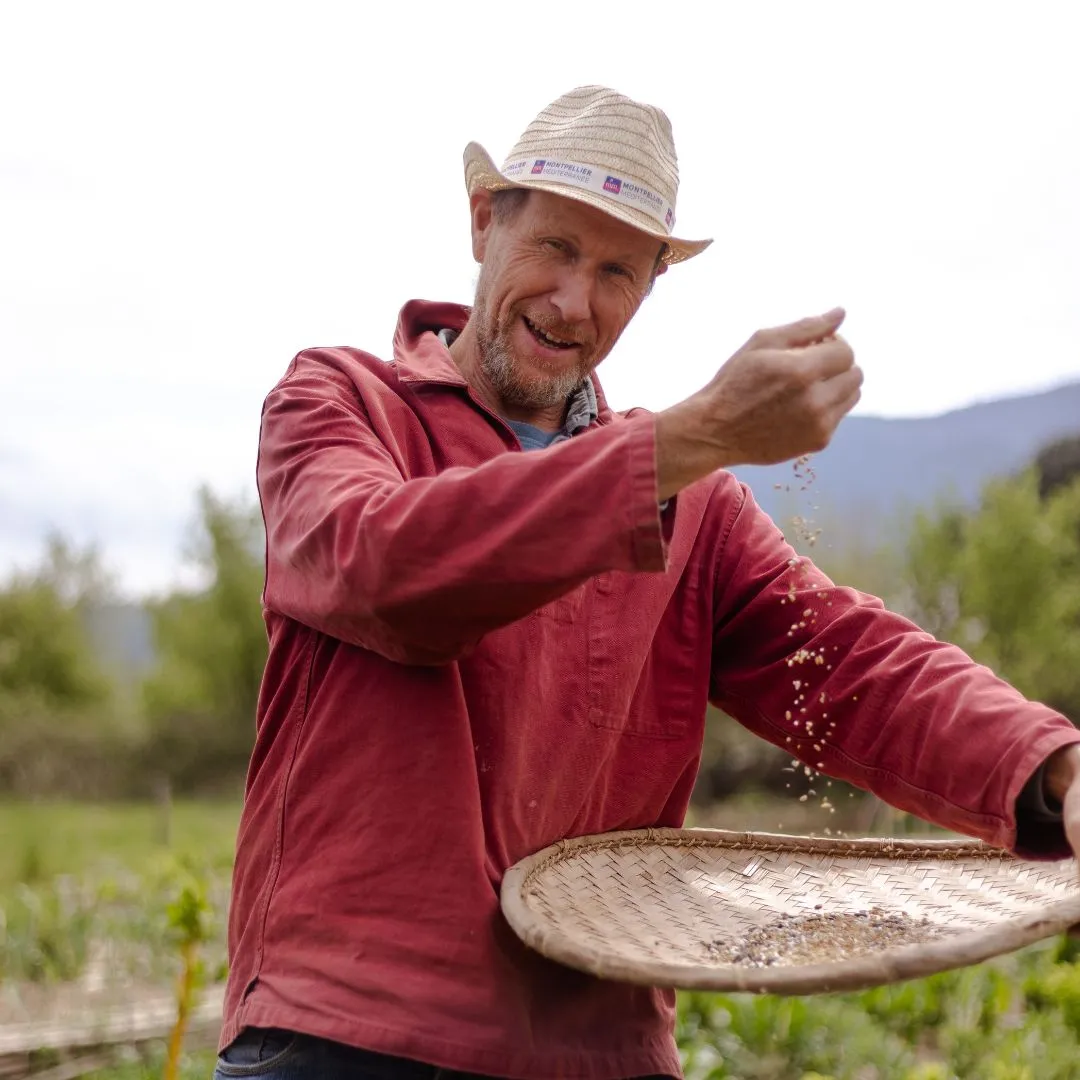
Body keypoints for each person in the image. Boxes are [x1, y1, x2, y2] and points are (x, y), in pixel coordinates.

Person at [214, 85, 1080, 1080]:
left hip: (600, 1049)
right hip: (354, 1032)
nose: (575, 301)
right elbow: (384, 567)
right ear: (482, 222)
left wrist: (1054, 770)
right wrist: (690, 438)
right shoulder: (343, 403)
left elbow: (845, 661)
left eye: (619, 270)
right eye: (556, 249)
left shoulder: (693, 507)